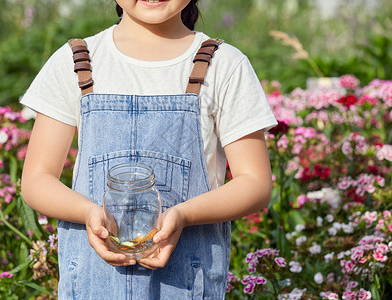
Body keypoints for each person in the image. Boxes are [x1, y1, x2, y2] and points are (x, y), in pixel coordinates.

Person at [20, 0, 278, 298]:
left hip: (186, 285)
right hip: (93, 283)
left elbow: (255, 183)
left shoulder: (224, 65)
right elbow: (37, 179)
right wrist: (90, 212)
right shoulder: (76, 60)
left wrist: (183, 215)